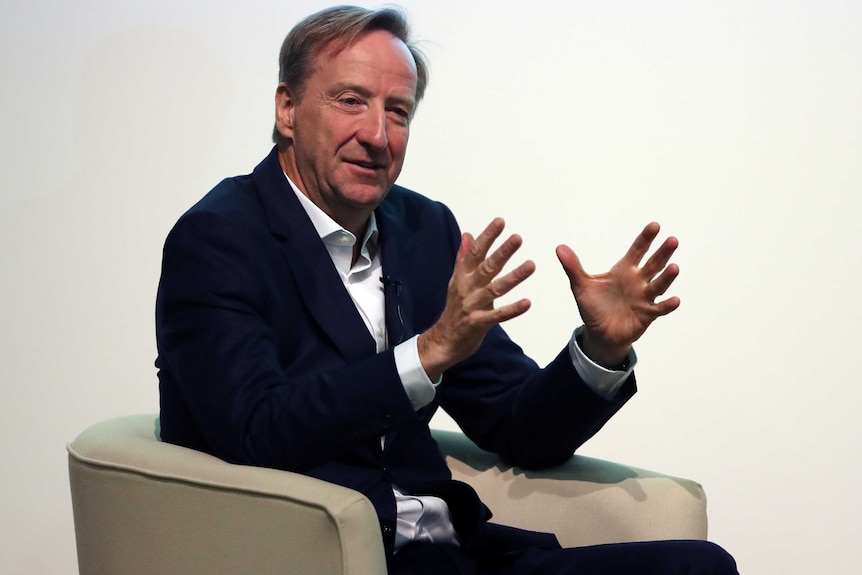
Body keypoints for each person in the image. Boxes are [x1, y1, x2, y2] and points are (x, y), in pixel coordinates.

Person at [155, 5, 738, 574]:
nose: (377, 135)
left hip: (456, 551)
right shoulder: (217, 240)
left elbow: (515, 425)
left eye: (399, 112)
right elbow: (258, 430)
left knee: (696, 565)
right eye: (351, 101)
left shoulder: (422, 229)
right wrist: (426, 353)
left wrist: (599, 351)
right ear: (288, 108)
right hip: (326, 558)